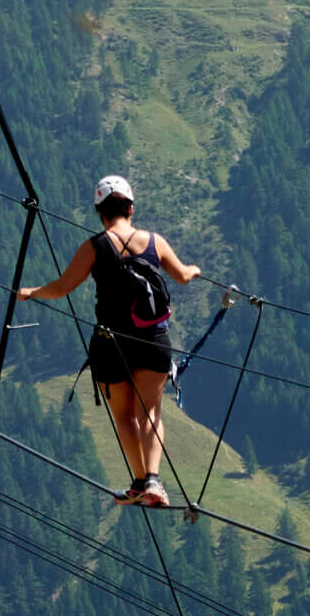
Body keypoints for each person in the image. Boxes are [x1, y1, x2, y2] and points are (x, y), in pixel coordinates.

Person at [16, 174, 202, 507]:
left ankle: (138, 481)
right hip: (153, 340)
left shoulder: (94, 247)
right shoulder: (154, 242)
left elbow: (63, 287)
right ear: (130, 208)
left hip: (111, 343)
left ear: (100, 212)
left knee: (125, 416)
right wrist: (195, 269)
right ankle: (155, 483)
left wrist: (32, 292)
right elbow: (184, 276)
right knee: (152, 414)